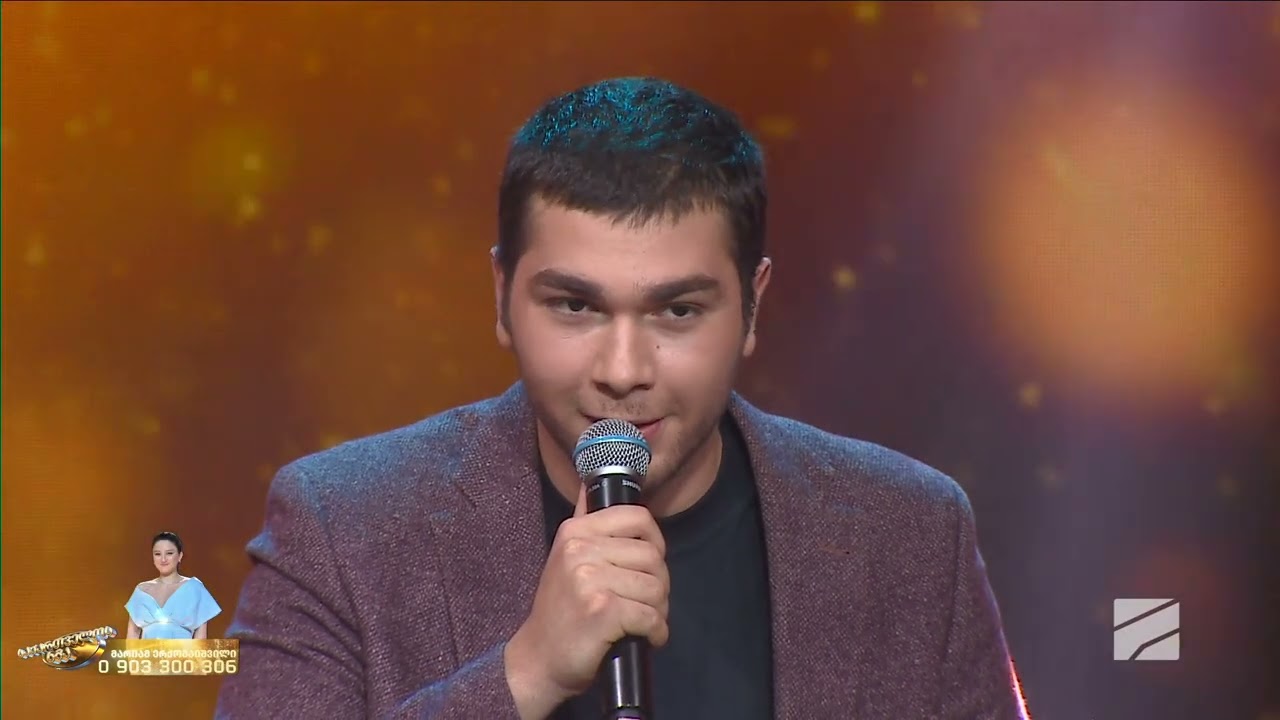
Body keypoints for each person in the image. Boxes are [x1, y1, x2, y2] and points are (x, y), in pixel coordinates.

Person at [215, 77, 1029, 719]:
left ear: (752, 306)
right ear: (501, 296)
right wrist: (525, 674)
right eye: (575, 306)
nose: (623, 369)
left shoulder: (912, 533)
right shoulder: (341, 527)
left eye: (678, 311)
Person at [125, 531, 222, 640]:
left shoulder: (194, 588)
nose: (163, 559)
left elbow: (201, 639)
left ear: (180, 556)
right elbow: (132, 637)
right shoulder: (141, 590)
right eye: (157, 554)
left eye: (169, 553)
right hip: (146, 651)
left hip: (183, 651)